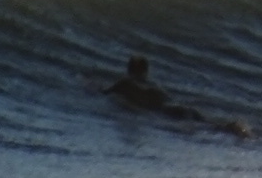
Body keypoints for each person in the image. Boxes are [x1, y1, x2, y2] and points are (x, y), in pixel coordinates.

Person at [105, 54, 250, 137]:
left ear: (129, 69)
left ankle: (235, 129)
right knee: (212, 125)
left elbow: (105, 93)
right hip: (180, 108)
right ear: (146, 71)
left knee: (208, 128)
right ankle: (238, 128)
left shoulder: (125, 83)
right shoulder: (154, 86)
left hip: (168, 112)